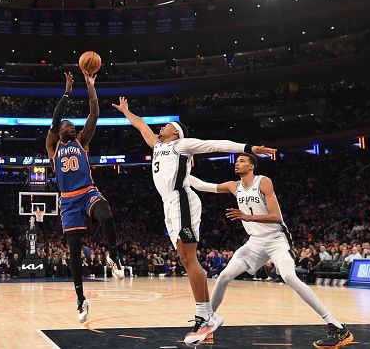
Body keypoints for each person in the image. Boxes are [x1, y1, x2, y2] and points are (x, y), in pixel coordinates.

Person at [112, 97, 275, 344]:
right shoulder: (158, 145)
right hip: (170, 204)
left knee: (190, 259)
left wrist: (248, 148)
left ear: (175, 133)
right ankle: (207, 318)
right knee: (184, 258)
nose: (162, 127)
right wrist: (126, 111)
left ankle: (204, 318)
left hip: (182, 201)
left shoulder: (182, 145)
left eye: (167, 125)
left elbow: (216, 145)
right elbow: (141, 126)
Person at [189, 153, 353, 349]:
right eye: (237, 161)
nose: (237, 163)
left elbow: (275, 216)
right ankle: (207, 324)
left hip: (276, 240)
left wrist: (247, 218)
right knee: (224, 276)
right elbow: (201, 185)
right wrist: (180, 171)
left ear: (251, 166)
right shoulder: (234, 186)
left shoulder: (263, 182)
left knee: (290, 277)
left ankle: (337, 327)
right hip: (255, 243)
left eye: (242, 161)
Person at [46, 72, 124, 323]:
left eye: (72, 126)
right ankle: (81, 300)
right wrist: (67, 92)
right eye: (68, 125)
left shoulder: (82, 141)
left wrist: (91, 87)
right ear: (60, 131)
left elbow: (94, 114)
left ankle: (114, 254)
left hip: (87, 192)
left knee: (106, 214)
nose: (72, 127)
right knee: (74, 253)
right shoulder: (53, 145)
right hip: (68, 200)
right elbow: (56, 118)